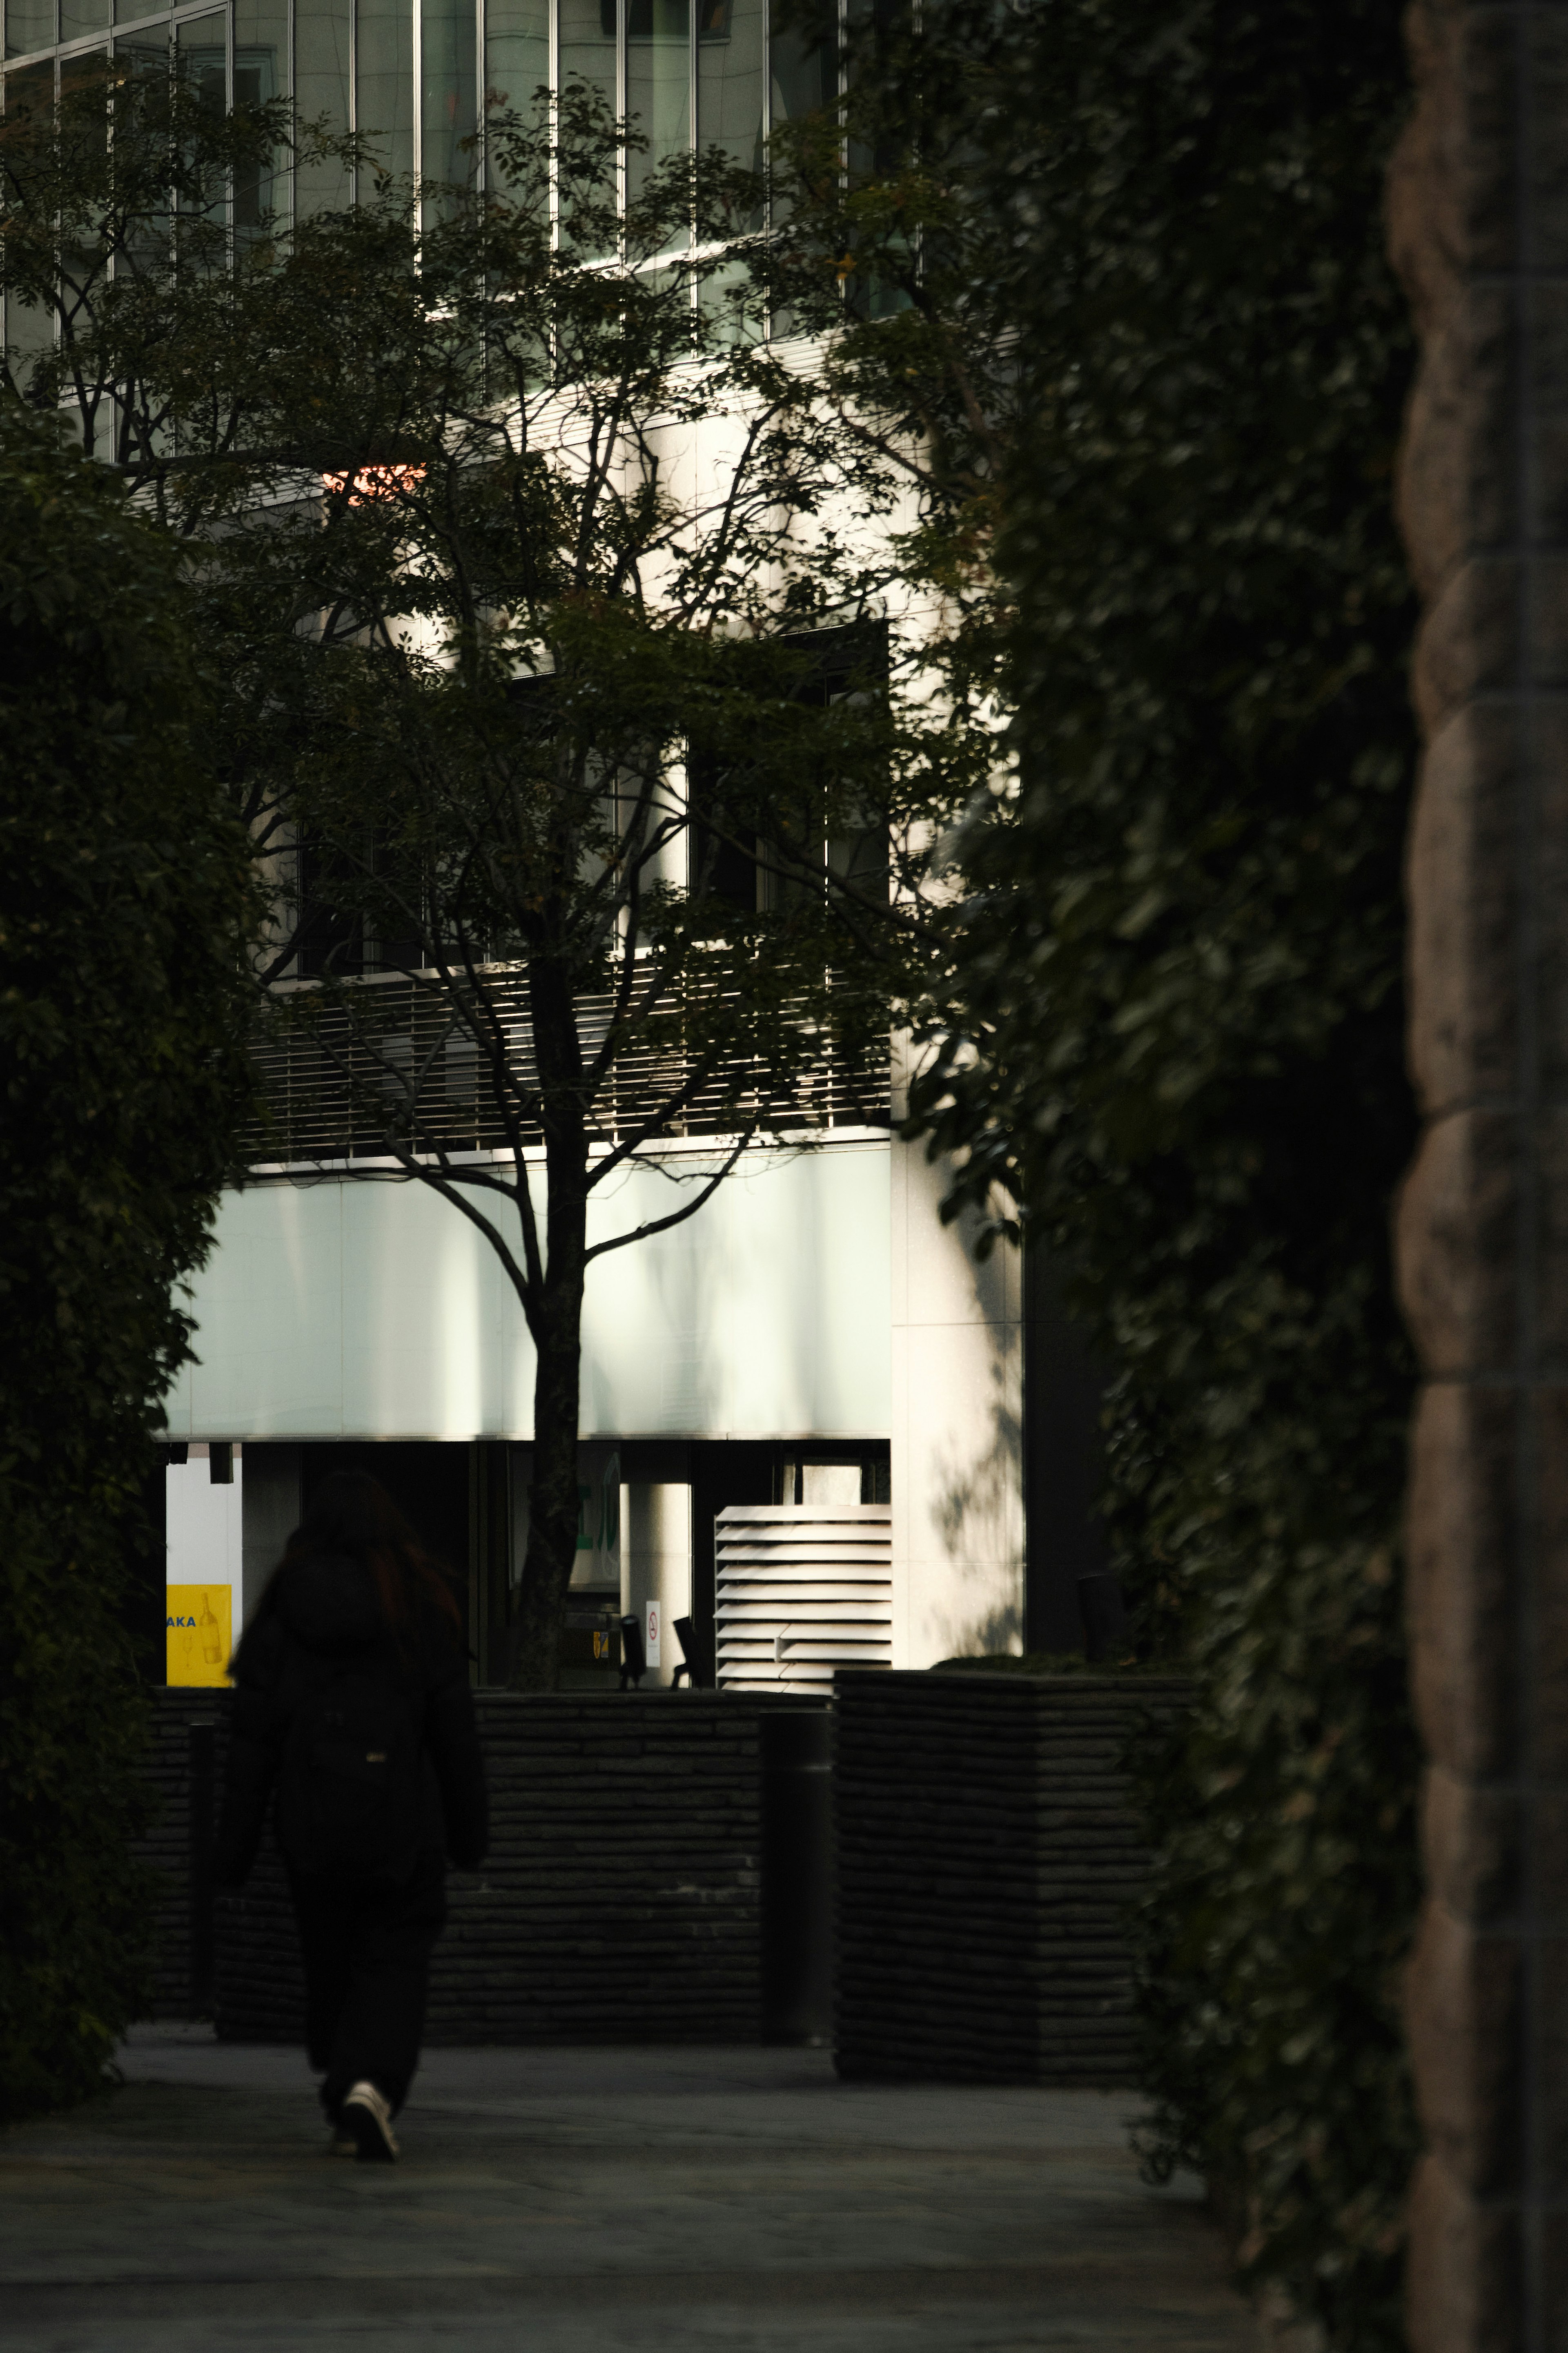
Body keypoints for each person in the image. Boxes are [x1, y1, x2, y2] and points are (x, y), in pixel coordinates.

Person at [212, 1471, 488, 2163]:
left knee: (331, 1957)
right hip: (402, 1822)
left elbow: (253, 1744)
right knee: (394, 1957)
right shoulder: (418, 1603)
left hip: (310, 1823)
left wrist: (234, 1850)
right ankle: (370, 2084)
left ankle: (346, 2094)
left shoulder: (285, 1610)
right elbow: (454, 1732)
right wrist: (469, 1831)